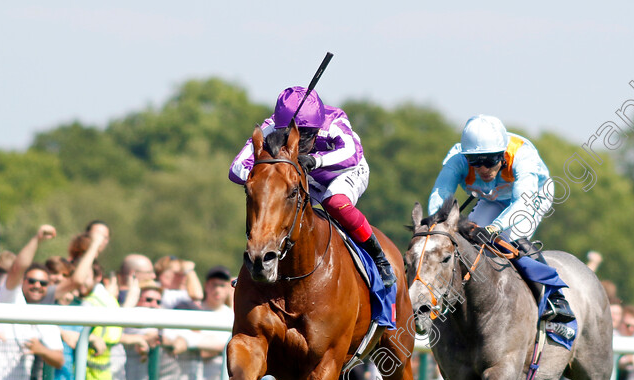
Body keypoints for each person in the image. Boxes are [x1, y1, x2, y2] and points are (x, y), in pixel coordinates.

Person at [229, 86, 396, 287]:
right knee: (274, 204)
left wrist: (315, 161)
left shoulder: (334, 120)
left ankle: (378, 258)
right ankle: (258, 264)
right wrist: (270, 180)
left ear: (318, 126)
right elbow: (236, 168)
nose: (301, 143)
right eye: (290, 134)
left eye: (308, 136)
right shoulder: (270, 126)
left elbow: (352, 153)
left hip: (344, 172)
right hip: (303, 178)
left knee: (335, 202)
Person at [427, 114, 573, 322]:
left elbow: (522, 202)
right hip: (494, 197)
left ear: (503, 154)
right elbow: (440, 194)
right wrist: (439, 225)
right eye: (475, 162)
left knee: (508, 240)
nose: (483, 169)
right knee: (467, 242)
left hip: (533, 196)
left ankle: (555, 299)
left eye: (489, 161)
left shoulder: (522, 156)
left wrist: (495, 228)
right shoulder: (457, 159)